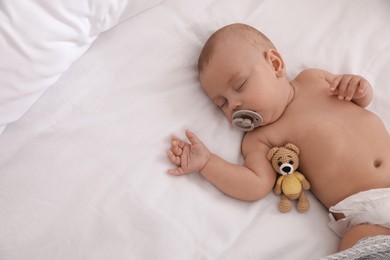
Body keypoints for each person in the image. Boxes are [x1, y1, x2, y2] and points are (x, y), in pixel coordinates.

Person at [166, 23, 390, 252]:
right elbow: (255, 185)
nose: (233, 105)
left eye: (240, 85)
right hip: (365, 216)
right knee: (362, 245)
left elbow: (359, 100)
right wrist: (207, 163)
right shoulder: (260, 138)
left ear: (275, 64)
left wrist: (359, 87)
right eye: (222, 103)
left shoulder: (313, 78)